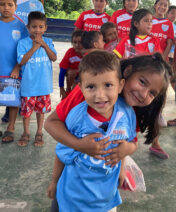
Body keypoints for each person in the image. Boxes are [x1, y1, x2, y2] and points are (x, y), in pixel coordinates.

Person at [45, 54, 171, 197]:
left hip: (103, 190)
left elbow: (128, 140)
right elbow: (51, 123)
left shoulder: (131, 111)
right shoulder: (87, 95)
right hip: (71, 185)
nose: (143, 94)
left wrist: (124, 153)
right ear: (128, 72)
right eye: (142, 82)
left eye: (152, 93)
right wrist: (79, 145)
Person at [50, 51, 137, 211]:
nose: (100, 95)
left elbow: (124, 142)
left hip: (106, 200)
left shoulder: (126, 113)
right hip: (74, 198)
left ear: (121, 85)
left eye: (108, 85)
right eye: (91, 87)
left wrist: (122, 168)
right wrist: (54, 182)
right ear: (80, 88)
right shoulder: (76, 117)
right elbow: (62, 152)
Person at [2, 0, 44, 123]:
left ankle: (21, 106)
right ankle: (8, 109)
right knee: (9, 77)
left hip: (27, 46)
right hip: (10, 45)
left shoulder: (37, 4)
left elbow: (40, 24)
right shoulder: (11, 0)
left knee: (23, 77)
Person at [16, 12, 57, 147]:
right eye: (34, 27)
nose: (37, 30)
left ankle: (39, 132)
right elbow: (21, 61)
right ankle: (26, 133)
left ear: (45, 28)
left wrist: (44, 45)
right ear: (28, 28)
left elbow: (54, 58)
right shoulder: (23, 43)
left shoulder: (49, 42)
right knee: (26, 113)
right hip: (28, 86)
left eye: (40, 27)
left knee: (41, 111)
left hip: (43, 86)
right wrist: (34, 47)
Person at [0, 0, 28, 143]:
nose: (6, 7)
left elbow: (24, 48)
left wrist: (17, 67)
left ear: (15, 6)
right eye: (2, 4)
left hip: (13, 71)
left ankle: (10, 128)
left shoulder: (21, 26)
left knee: (12, 99)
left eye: (9, 4)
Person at [59, 30, 83, 99]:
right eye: (75, 42)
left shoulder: (87, 53)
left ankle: (73, 94)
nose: (77, 45)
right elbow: (62, 71)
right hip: (72, 76)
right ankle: (68, 91)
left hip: (83, 76)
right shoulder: (70, 52)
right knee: (72, 72)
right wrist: (61, 88)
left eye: (80, 42)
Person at [167, 5, 176, 89]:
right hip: (164, 53)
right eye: (172, 13)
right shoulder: (164, 24)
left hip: (172, 54)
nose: (174, 15)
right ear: (167, 13)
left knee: (172, 75)